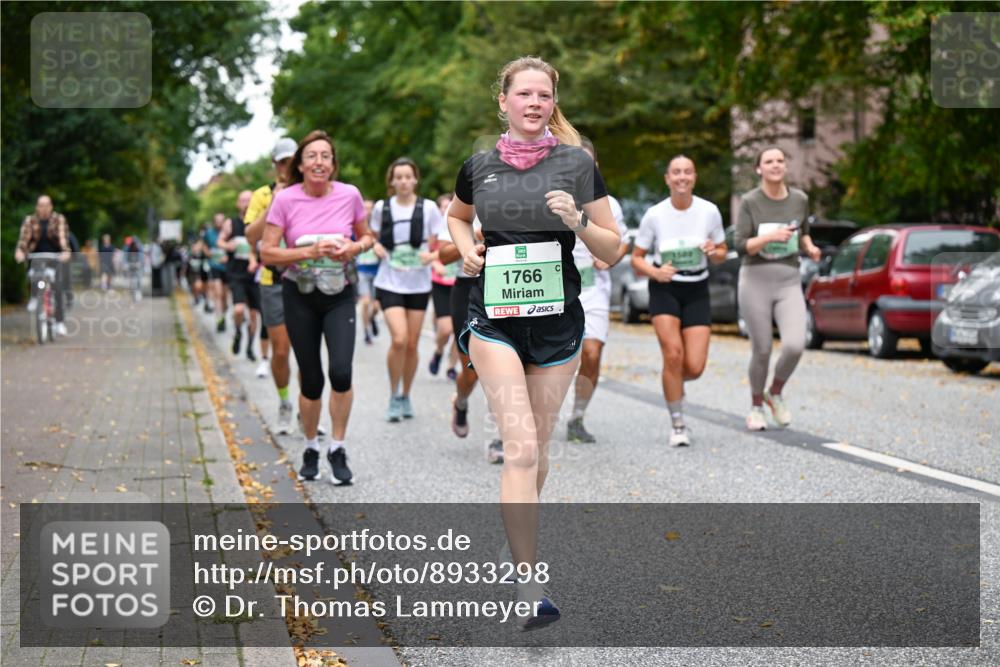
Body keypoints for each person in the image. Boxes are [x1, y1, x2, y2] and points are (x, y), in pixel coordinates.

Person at [448, 56, 621, 629]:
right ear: (503, 101)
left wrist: (576, 221)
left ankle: (515, 543)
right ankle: (529, 585)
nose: (533, 103)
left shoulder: (576, 165)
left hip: (557, 325)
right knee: (520, 449)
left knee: (538, 454)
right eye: (523, 94)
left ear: (552, 103)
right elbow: (457, 218)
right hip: (493, 318)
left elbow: (613, 248)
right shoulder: (478, 166)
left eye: (543, 96)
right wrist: (466, 249)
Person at [260, 129, 373, 485]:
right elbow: (267, 252)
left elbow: (368, 236)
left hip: (340, 293)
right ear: (301, 164)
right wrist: (308, 252)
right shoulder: (285, 199)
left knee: (341, 371)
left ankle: (337, 448)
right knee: (311, 379)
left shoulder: (350, 195)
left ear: (333, 164)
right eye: (312, 156)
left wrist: (353, 248)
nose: (319, 162)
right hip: (299, 295)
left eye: (326, 156)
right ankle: (310, 446)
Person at [631, 155, 727, 446]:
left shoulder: (709, 211)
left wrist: (713, 251)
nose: (682, 177)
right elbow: (637, 259)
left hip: (697, 287)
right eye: (676, 172)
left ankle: (674, 383)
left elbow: (722, 251)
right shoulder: (655, 215)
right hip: (666, 287)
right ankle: (678, 424)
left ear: (694, 177)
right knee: (673, 354)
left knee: (694, 367)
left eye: (687, 172)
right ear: (667, 179)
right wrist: (655, 272)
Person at [733, 147, 822, 431]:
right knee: (762, 349)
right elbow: (740, 245)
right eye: (768, 161)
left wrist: (811, 247)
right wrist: (770, 236)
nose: (775, 165)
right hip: (755, 279)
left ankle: (775, 392)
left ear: (785, 166)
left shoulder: (799, 199)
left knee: (795, 345)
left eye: (780, 161)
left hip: (788, 279)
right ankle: (756, 406)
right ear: (759, 169)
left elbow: (804, 234)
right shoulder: (749, 201)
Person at [565, 138, 630, 444]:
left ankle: (577, 417)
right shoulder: (550, 198)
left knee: (591, 353)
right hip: (556, 290)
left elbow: (621, 242)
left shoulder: (608, 204)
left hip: (592, 289)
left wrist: (609, 257)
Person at [370, 157, 444, 422]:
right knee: (399, 339)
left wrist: (432, 256)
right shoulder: (382, 208)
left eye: (407, 176)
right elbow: (373, 236)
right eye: (398, 177)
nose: (403, 181)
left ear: (415, 179)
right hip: (389, 280)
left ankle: (405, 394)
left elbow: (439, 242)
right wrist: (376, 247)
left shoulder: (429, 208)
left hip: (418, 282)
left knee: (412, 345)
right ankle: (392, 394)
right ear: (392, 181)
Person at [438, 215, 505, 463]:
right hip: (467, 290)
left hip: (503, 287)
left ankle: (498, 438)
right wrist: (472, 240)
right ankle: (461, 402)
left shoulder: (512, 201)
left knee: (500, 367)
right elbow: (442, 257)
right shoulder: (459, 211)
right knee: (472, 370)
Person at [246, 137, 297, 433]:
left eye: (291, 161)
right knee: (280, 351)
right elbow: (251, 235)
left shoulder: (309, 192)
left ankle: (308, 406)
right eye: (282, 162)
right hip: (273, 281)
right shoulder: (261, 196)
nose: (287, 167)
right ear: (275, 165)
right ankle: (284, 401)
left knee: (307, 352)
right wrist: (275, 203)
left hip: (304, 278)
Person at [15, 195, 71, 335]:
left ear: (51, 206)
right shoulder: (30, 220)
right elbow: (24, 239)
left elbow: (63, 238)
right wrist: (20, 251)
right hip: (36, 258)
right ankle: (34, 297)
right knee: (33, 277)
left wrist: (65, 252)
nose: (44, 207)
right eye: (41, 205)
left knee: (57, 287)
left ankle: (59, 322)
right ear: (37, 207)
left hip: (54, 258)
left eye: (46, 205)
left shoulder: (59, 219)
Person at [220, 190, 261, 362]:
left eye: (249, 200)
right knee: (238, 310)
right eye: (243, 200)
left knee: (253, 316)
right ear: (238, 203)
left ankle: (250, 347)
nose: (246, 203)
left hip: (254, 275)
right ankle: (238, 332)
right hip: (236, 274)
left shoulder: (259, 223)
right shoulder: (232, 223)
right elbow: (220, 241)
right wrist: (227, 245)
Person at [428, 194, 460, 379]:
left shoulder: (466, 221)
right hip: (440, 284)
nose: (445, 208)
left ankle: (451, 366)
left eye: (449, 205)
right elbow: (424, 254)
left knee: (460, 330)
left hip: (460, 281)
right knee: (446, 329)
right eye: (443, 206)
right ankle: (439, 351)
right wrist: (436, 264)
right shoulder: (437, 229)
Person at [355, 199, 381, 345]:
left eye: (370, 208)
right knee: (365, 303)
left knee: (376, 306)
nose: (368, 211)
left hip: (377, 270)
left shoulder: (379, 227)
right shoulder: (357, 226)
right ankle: (366, 332)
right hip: (362, 270)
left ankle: (372, 318)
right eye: (365, 208)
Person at [204, 213, 229, 328]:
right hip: (215, 266)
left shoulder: (228, 232)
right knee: (218, 293)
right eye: (217, 221)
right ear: (214, 222)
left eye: (221, 221)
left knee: (224, 295)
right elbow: (204, 246)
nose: (219, 223)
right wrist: (209, 253)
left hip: (227, 267)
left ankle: (223, 315)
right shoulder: (209, 233)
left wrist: (227, 257)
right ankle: (219, 319)